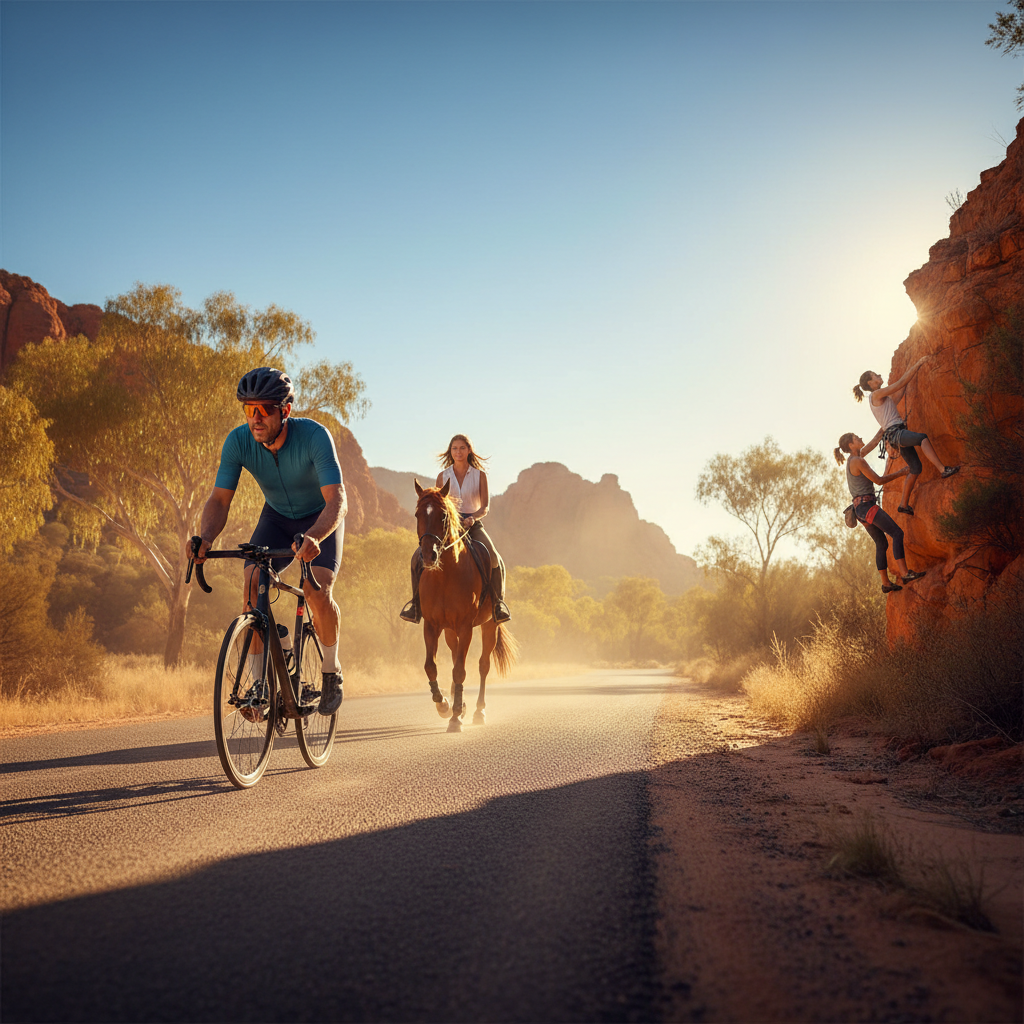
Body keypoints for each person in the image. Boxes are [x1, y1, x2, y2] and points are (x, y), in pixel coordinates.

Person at [192, 367, 347, 716]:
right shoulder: (238, 442)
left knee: (316, 589)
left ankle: (331, 671)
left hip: (320, 518)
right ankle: (259, 685)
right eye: (249, 410)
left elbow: (338, 500)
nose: (256, 418)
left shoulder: (314, 436)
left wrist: (315, 536)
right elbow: (219, 500)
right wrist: (206, 537)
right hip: (276, 518)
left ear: (285, 411)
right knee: (251, 583)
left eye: (264, 409)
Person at [400, 433, 511, 624]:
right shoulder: (443, 476)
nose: (458, 452)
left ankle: (498, 604)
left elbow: (485, 507)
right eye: (454, 448)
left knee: (493, 557)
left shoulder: (479, 476)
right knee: (416, 558)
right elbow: (437, 505)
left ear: (469, 451)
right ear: (450, 452)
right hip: (447, 525)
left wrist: (472, 518)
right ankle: (416, 605)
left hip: (472, 525)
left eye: (462, 448)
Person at [853, 355, 959, 516]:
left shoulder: (879, 398)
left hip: (895, 435)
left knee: (916, 468)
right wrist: (918, 364)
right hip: (896, 434)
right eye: (875, 375)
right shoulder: (876, 394)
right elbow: (899, 384)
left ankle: (903, 505)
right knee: (922, 438)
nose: (878, 375)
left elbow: (897, 396)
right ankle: (943, 469)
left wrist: (908, 379)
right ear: (870, 383)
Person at [835, 432, 927, 593]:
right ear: (851, 445)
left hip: (860, 510)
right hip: (867, 507)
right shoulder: (858, 461)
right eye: (856, 437)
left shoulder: (854, 458)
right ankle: (905, 574)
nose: (860, 437)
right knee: (897, 533)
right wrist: (902, 472)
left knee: (881, 543)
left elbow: (872, 444)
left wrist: (882, 430)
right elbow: (878, 480)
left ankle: (886, 583)